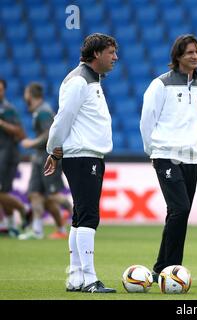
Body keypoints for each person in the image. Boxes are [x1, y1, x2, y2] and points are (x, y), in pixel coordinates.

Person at [44, 33, 118, 293]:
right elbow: (62, 118)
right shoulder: (79, 81)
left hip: (87, 155)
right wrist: (53, 150)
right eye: (111, 52)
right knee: (88, 216)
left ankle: (76, 277)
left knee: (79, 217)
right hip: (83, 156)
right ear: (96, 54)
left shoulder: (89, 80)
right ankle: (90, 279)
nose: (115, 57)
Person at [140, 34, 197, 281]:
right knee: (180, 209)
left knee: (178, 213)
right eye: (190, 52)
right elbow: (147, 120)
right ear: (178, 55)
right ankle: (172, 269)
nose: (195, 56)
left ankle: (162, 268)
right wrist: (153, 151)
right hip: (166, 154)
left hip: (191, 156)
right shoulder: (160, 84)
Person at [18, 82, 71, 240]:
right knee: (35, 194)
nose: (24, 97)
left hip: (48, 157)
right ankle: (37, 231)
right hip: (39, 158)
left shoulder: (43, 112)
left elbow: (49, 134)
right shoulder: (39, 111)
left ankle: (78, 214)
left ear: (31, 95)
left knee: (53, 195)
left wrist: (31, 143)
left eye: (26, 94)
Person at [0, 78, 30, 237]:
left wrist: (2, 123)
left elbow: (20, 133)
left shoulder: (8, 109)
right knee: (3, 191)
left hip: (8, 155)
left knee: (1, 192)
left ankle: (23, 209)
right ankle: (9, 225)